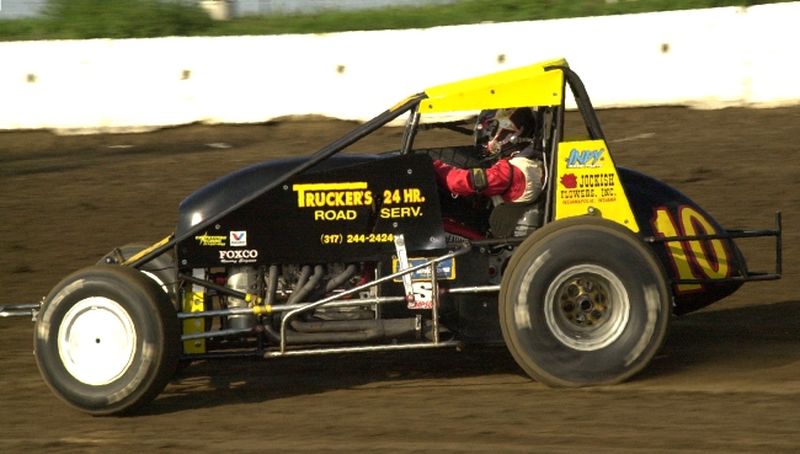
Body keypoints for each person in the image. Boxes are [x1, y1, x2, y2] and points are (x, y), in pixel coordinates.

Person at [432, 107, 547, 237]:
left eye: (490, 138)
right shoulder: (531, 162)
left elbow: (460, 182)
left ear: (512, 135)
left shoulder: (514, 169)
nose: (487, 144)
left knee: (441, 224)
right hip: (504, 229)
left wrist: (433, 165)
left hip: (496, 237)